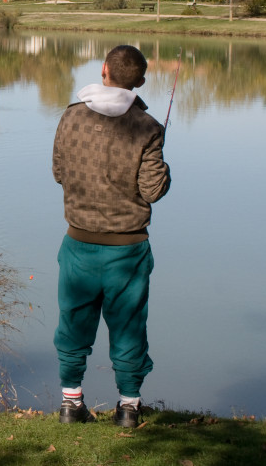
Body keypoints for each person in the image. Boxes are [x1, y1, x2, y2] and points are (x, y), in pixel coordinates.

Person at [51, 44, 171, 428]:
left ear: (103, 70)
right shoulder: (149, 128)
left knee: (73, 324)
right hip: (127, 249)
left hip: (79, 244)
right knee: (129, 326)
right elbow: (152, 190)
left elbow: (58, 172)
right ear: (139, 82)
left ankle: (71, 404)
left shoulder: (70, 117)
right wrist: (163, 170)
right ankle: (128, 408)